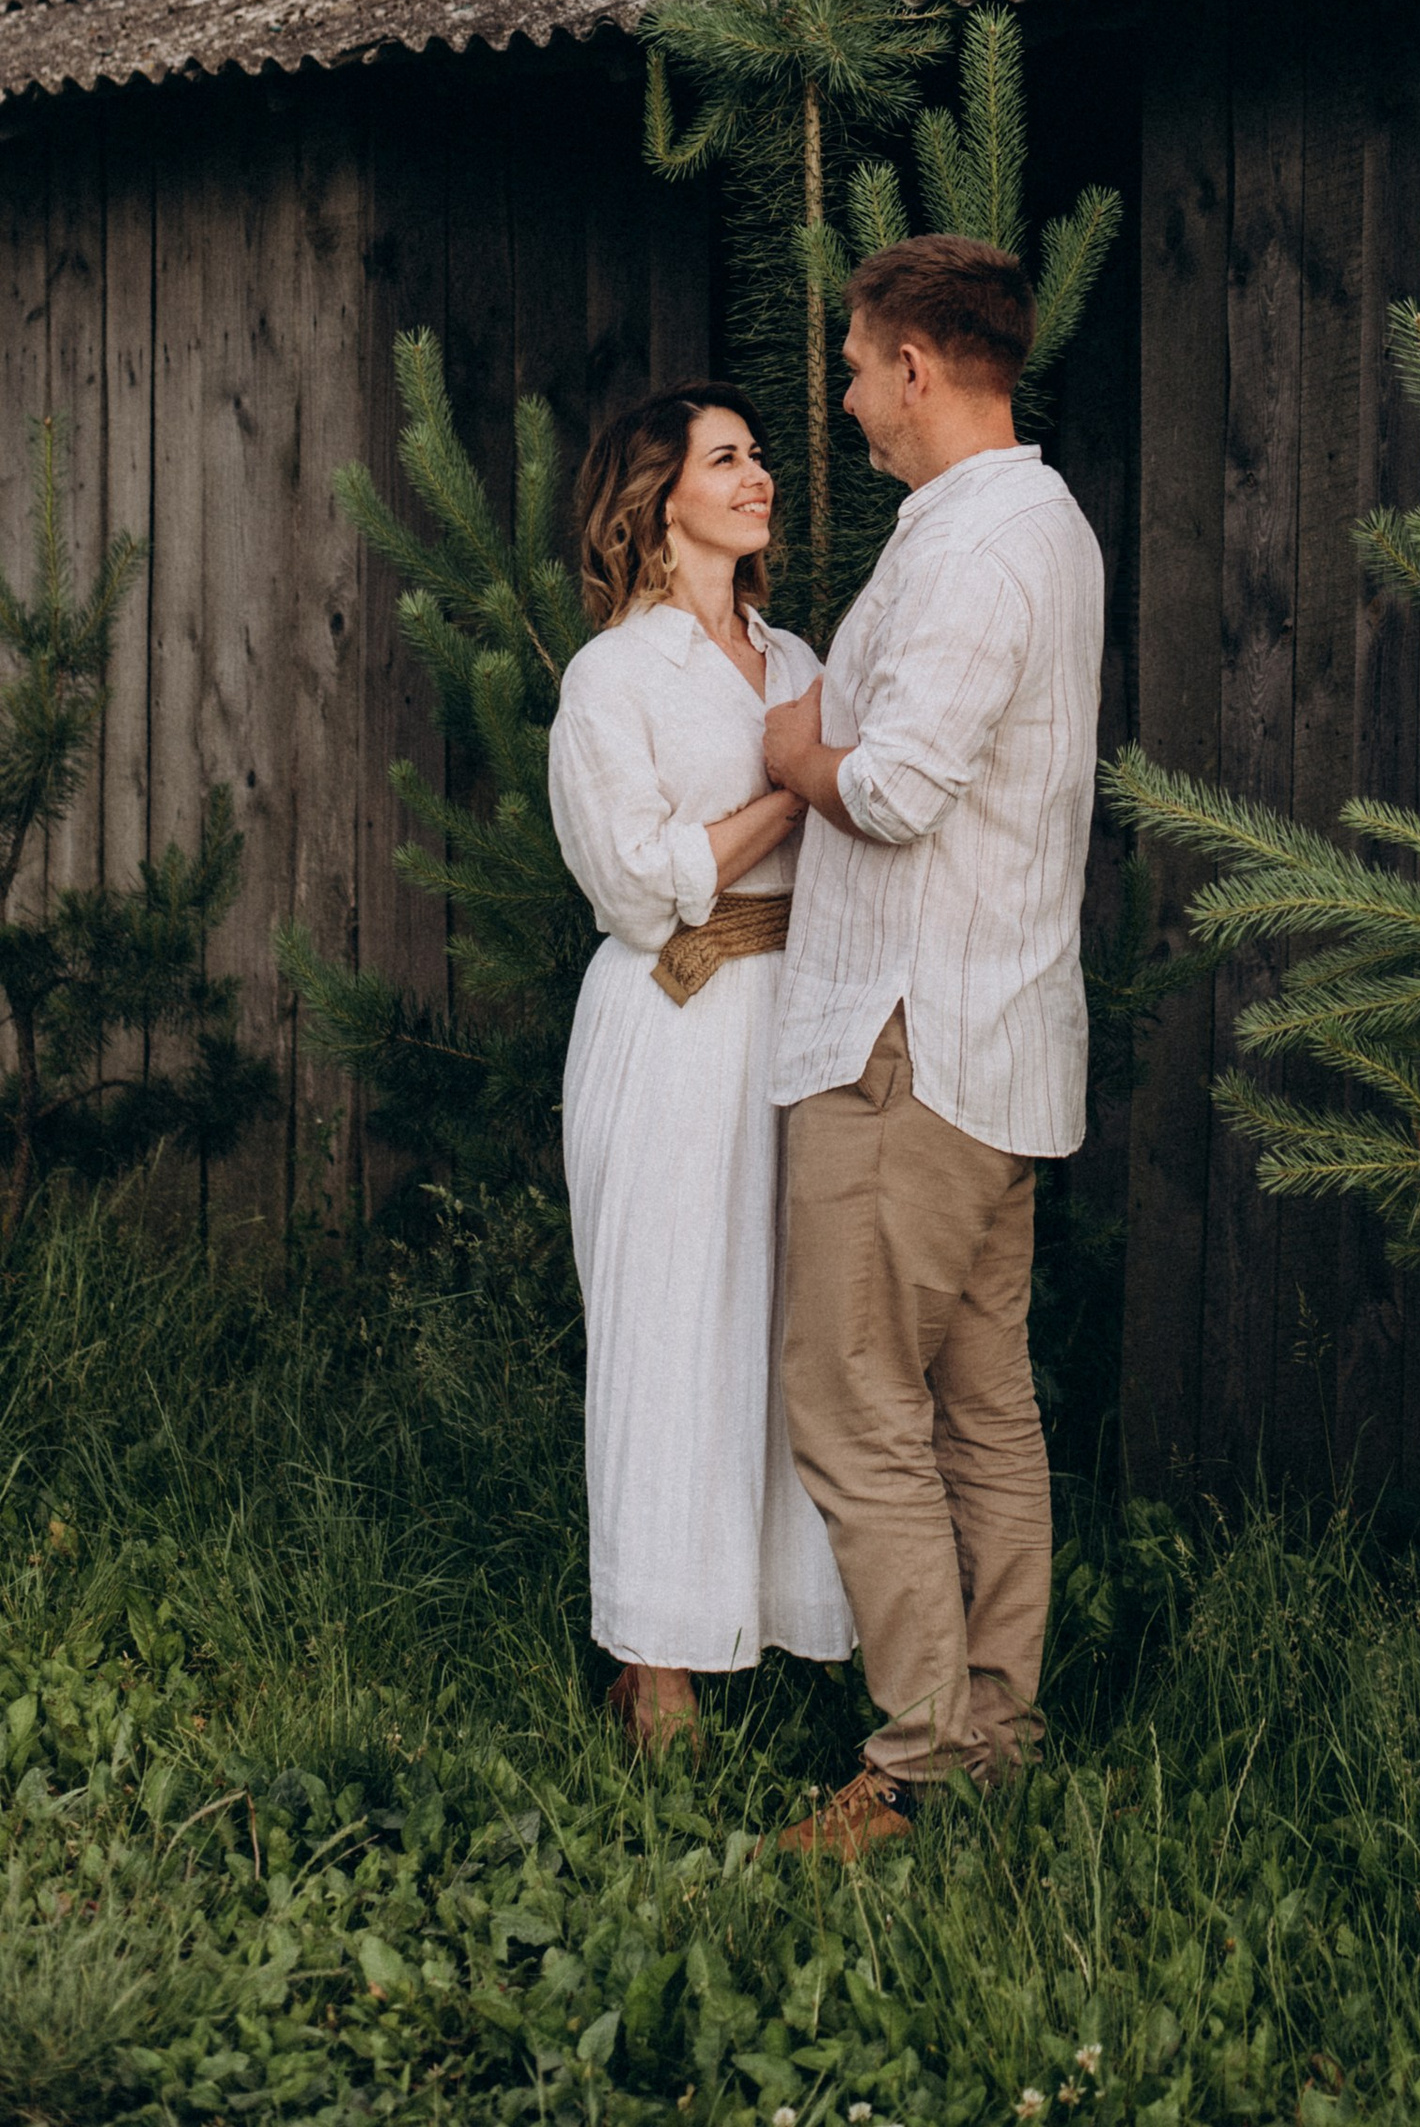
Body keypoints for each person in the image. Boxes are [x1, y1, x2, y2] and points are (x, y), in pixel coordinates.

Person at [760, 232, 1105, 1852]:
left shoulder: (984, 548)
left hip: (907, 1045)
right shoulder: (1007, 526)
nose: (839, 398)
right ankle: (998, 1728)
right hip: (991, 1041)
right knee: (980, 1404)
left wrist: (792, 749)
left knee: (848, 1393)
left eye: (849, 366)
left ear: (916, 366)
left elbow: (892, 790)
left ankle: (914, 1768)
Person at [548, 387, 853, 1746]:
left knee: (787, 1329)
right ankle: (657, 1671)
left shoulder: (798, 660)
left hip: (795, 1017)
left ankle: (778, 1623)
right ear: (658, 495)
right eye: (728, 458)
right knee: (668, 1329)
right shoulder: (613, 676)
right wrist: (795, 788)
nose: (761, 476)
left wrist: (813, 768)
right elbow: (635, 882)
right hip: (671, 1024)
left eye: (760, 455)